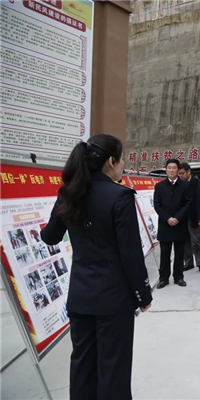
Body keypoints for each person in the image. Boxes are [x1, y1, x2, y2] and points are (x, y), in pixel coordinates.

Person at [40, 135, 152, 399]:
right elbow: (130, 255)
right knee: (113, 370)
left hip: (80, 298)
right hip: (114, 300)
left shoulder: (70, 193)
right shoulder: (120, 196)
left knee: (82, 367)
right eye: (121, 159)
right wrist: (143, 295)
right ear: (111, 161)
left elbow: (50, 236)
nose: (123, 164)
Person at [154, 159, 192, 288]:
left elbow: (188, 204)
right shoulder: (160, 186)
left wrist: (177, 218)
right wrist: (167, 218)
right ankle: (163, 278)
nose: (171, 170)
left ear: (178, 170)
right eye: (169, 168)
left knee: (179, 253)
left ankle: (178, 277)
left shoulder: (185, 186)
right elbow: (157, 205)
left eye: (174, 168)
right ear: (166, 169)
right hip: (165, 225)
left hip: (180, 224)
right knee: (165, 253)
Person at [178, 162, 200, 273]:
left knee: (196, 242)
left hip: (194, 217)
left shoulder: (197, 183)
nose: (181, 176)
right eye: (179, 174)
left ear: (189, 171)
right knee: (185, 241)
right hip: (182, 218)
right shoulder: (179, 184)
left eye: (182, 173)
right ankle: (188, 262)